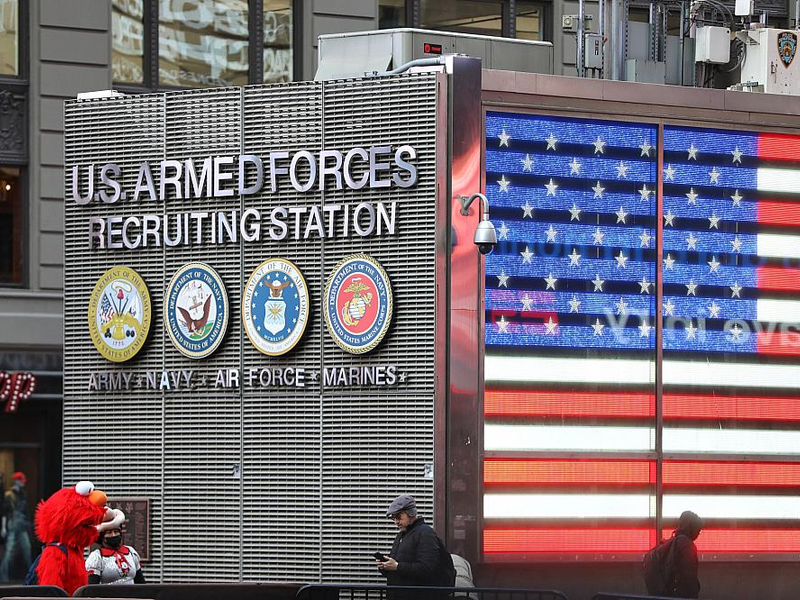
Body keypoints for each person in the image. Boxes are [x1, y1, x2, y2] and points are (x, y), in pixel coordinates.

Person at [376, 494, 455, 598]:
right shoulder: (401, 535)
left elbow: (426, 568)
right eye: (393, 518)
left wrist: (397, 567)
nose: (396, 522)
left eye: (398, 517)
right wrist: (386, 567)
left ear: (411, 513)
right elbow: (398, 568)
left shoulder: (426, 534)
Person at [0, 471, 32, 582]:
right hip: (13, 524)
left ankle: (31, 576)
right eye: (21, 480)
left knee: (27, 550)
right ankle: (3, 577)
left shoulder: (23, 493)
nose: (23, 483)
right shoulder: (9, 494)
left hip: (22, 524)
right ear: (16, 481)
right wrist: (3, 527)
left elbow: (25, 510)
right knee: (8, 553)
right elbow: (5, 511)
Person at [666, 510, 703, 599]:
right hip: (682, 595)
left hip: (669, 593)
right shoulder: (687, 546)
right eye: (698, 529)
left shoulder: (673, 542)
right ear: (690, 527)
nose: (698, 533)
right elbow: (689, 577)